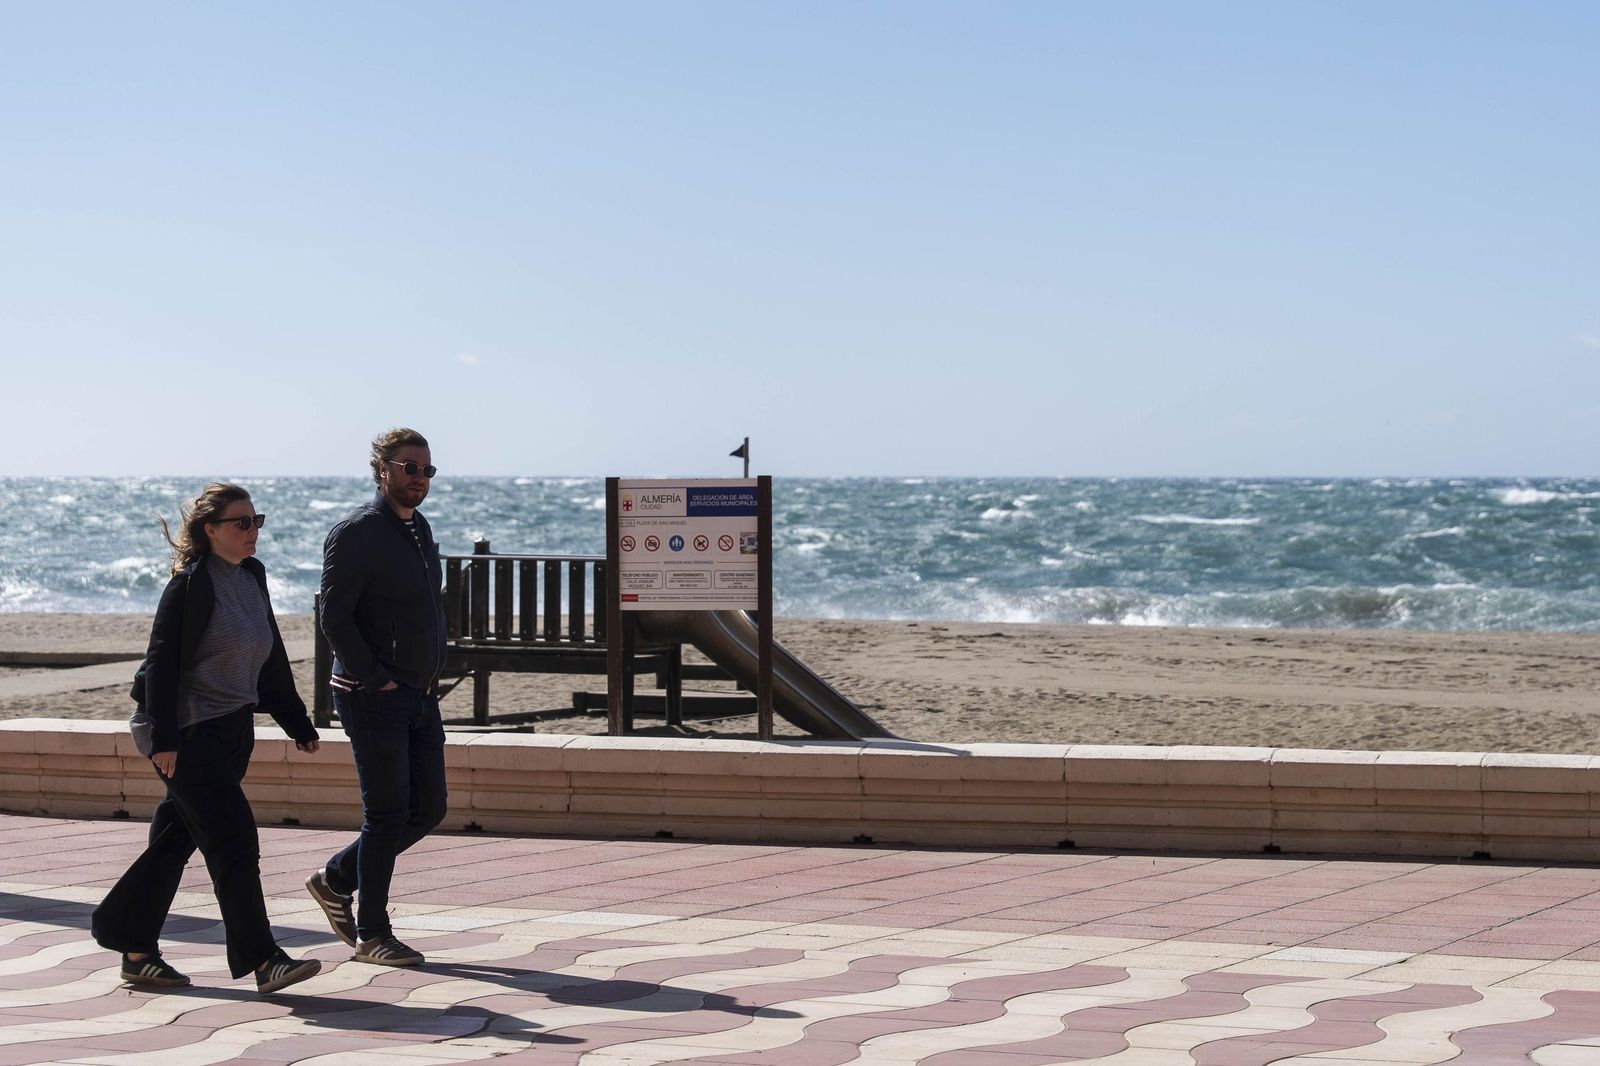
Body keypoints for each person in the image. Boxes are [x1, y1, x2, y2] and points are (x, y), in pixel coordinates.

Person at [92, 483, 323, 995]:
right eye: (241, 523)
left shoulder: (252, 577)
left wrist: (296, 722)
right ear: (210, 529)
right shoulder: (190, 587)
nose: (252, 531)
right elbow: (161, 665)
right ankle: (264, 959)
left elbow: (271, 653)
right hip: (185, 732)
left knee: (178, 839)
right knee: (233, 837)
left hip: (233, 728)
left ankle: (133, 946)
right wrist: (165, 740)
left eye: (256, 520)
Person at [306, 428, 446, 967]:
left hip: (419, 692)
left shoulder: (419, 529)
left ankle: (336, 878)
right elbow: (334, 617)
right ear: (382, 469)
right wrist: (374, 678)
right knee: (386, 814)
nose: (419, 478)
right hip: (373, 695)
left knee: (428, 808)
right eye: (410, 467)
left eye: (427, 470)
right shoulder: (357, 532)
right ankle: (372, 933)